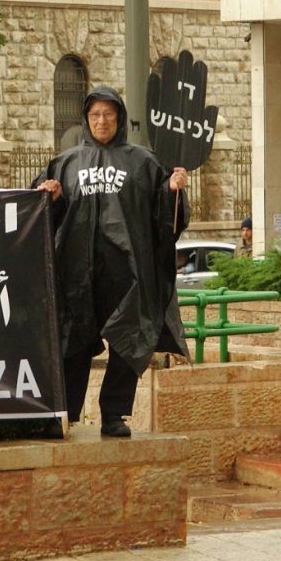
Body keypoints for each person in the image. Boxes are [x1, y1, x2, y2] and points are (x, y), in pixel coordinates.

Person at [35, 85, 191, 437]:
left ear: (118, 118)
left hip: (128, 275)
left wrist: (172, 190)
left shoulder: (144, 161)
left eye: (108, 114)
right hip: (78, 273)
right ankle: (64, 413)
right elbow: (43, 218)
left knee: (128, 341)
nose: (101, 121)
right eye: (95, 115)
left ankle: (113, 414)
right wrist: (52, 198)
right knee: (72, 342)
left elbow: (166, 218)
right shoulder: (65, 163)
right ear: (86, 120)